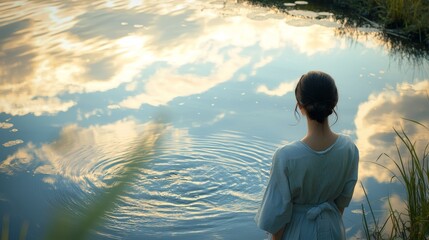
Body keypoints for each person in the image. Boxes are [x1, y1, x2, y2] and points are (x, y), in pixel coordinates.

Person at [255, 71, 359, 240]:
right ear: (334, 103)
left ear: (299, 106)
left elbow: (276, 218)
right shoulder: (349, 148)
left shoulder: (286, 156)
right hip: (333, 228)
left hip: (297, 232)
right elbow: (342, 202)